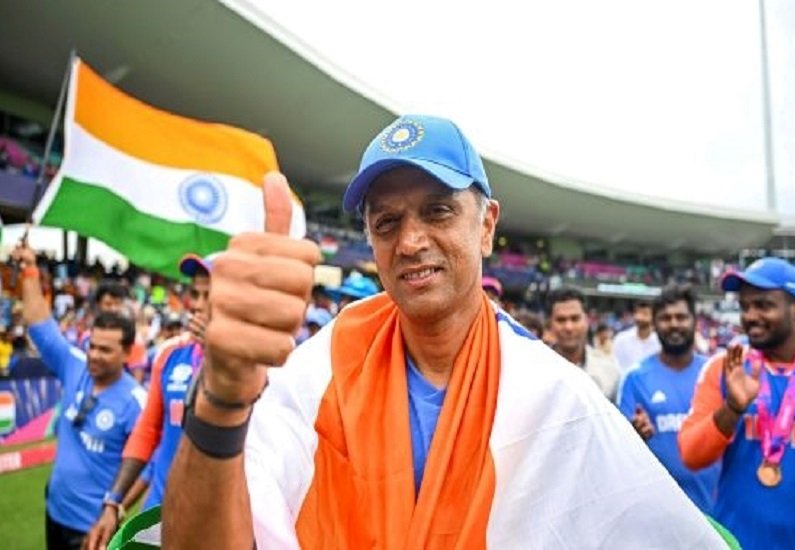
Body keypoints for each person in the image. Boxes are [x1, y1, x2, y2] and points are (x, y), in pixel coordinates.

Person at [162, 115, 724, 548]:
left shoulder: (554, 397)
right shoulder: (319, 369)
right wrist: (221, 399)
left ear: (487, 226)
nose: (410, 242)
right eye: (387, 222)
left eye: (437, 211)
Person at [11, 243, 146, 550]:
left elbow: (149, 467)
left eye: (105, 350)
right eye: (92, 346)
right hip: (55, 512)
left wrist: (113, 510)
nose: (94, 355)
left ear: (127, 353)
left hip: (92, 529)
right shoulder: (75, 365)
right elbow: (41, 327)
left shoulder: (135, 402)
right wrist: (30, 270)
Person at [84, 253, 211, 550]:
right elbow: (147, 431)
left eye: (210, 295)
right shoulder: (170, 354)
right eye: (195, 294)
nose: (198, 304)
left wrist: (219, 354)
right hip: (158, 515)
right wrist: (113, 502)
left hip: (214, 524)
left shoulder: (255, 368)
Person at [679, 258, 795, 549]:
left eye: (763, 305)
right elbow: (691, 455)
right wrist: (732, 408)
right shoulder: (725, 367)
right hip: (736, 542)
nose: (750, 316)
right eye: (745, 306)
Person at [618, 284, 719, 514]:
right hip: (658, 514)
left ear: (695, 322)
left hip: (713, 511)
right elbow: (620, 448)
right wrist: (634, 434)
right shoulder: (634, 378)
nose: (674, 324)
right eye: (665, 318)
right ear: (655, 324)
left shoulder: (714, 373)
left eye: (681, 317)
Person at [547, 287, 620, 400]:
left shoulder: (609, 370)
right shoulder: (534, 370)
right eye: (561, 320)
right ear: (550, 323)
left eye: (575, 319)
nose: (569, 327)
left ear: (587, 321)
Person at [613, 300, 661, 373]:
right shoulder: (621, 339)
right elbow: (616, 364)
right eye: (637, 313)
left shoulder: (659, 342)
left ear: (653, 317)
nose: (640, 317)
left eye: (645, 314)